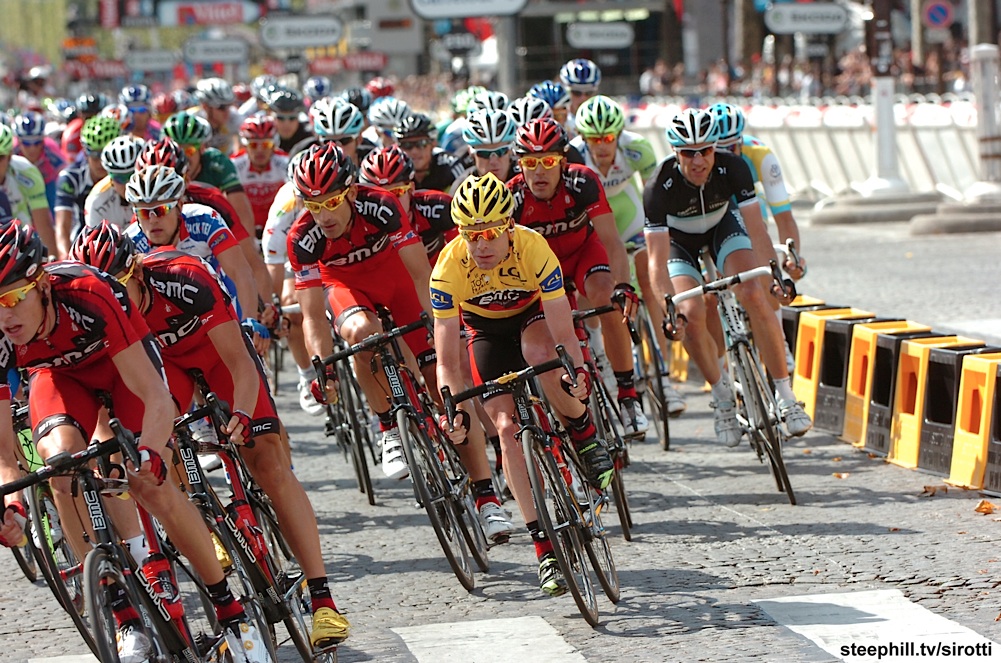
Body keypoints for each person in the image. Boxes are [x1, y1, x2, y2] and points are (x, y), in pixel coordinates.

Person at [70, 221, 351, 650]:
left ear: (139, 273)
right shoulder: (97, 316)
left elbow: (239, 362)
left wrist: (240, 414)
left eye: (122, 287)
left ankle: (322, 599)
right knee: (152, 454)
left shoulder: (185, 280)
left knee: (268, 462)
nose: (115, 301)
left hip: (216, 354)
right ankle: (203, 529)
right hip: (165, 373)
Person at [0, 220, 269, 662]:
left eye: (13, 298)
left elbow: (156, 397)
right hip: (60, 378)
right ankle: (124, 618)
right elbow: (5, 452)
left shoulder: (88, 294)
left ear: (42, 285)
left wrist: (151, 453)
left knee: (150, 483)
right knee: (59, 470)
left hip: (122, 369)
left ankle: (230, 609)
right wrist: (11, 506)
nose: (5, 316)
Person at [431, 173, 613, 595]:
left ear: (509, 226)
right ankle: (543, 547)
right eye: (470, 235)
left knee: (541, 357)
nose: (480, 245)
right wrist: (453, 408)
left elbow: (564, 334)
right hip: (485, 332)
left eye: (490, 233)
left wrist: (576, 371)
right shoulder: (448, 267)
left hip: (533, 316)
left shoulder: (534, 247)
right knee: (506, 430)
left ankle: (584, 435)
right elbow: (447, 360)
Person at [642, 108, 812, 447]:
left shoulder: (733, 167)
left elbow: (757, 230)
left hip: (723, 227)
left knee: (752, 290)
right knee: (690, 315)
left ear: (714, 149)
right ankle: (721, 396)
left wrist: (773, 275)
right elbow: (656, 262)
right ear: (676, 153)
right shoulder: (659, 186)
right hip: (680, 243)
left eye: (704, 151)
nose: (698, 160)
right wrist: (667, 307)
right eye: (688, 153)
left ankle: (785, 395)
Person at [286, 143, 435, 481]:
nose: (323, 216)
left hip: (395, 280)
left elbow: (420, 274)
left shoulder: (381, 204)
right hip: (344, 286)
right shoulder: (302, 237)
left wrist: (439, 328)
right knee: (359, 336)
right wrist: (321, 369)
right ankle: (389, 429)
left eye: (332, 202)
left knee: (441, 376)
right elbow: (311, 316)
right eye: (313, 205)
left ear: (351, 191)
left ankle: (486, 495)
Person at [508, 118, 648, 436]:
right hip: (541, 272)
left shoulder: (582, 181)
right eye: (530, 162)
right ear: (519, 164)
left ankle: (628, 396)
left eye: (548, 162)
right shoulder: (512, 198)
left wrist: (624, 285)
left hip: (583, 256)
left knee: (607, 297)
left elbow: (611, 241)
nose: (539, 171)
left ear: (563, 161)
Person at [570, 94, 687, 417]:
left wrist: (661, 230)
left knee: (649, 285)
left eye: (608, 138)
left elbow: (654, 193)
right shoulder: (574, 154)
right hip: (596, 225)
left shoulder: (637, 148)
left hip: (631, 215)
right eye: (594, 139)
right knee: (589, 294)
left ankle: (664, 379)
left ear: (619, 135)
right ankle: (604, 357)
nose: (602, 146)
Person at [709, 102, 807, 371]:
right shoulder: (703, 159)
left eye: (734, 147)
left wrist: (792, 257)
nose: (729, 154)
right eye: (722, 149)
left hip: (747, 207)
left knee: (766, 264)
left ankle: (779, 339)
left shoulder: (760, 154)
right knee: (707, 290)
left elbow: (783, 216)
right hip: (710, 213)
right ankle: (722, 366)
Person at [123, 164, 262, 332]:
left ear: (180, 205)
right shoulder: (131, 242)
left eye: (161, 210)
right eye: (144, 213)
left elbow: (240, 272)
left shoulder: (204, 219)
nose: (153, 221)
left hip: (219, 301)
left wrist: (249, 320)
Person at [163, 111, 257, 239]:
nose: (182, 158)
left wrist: (249, 247)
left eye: (189, 150)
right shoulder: (161, 166)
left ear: (202, 148)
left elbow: (242, 212)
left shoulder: (216, 163)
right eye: (177, 151)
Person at [54, 115, 120, 256]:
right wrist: (66, 262)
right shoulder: (70, 177)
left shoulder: (125, 177)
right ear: (85, 152)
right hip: (82, 248)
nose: (100, 162)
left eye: (105, 155)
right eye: (95, 155)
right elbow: (62, 229)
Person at [0, 125, 57, 258]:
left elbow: (44, 225)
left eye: (0, 157)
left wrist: (54, 263)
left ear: (9, 156)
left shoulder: (27, 173)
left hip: (21, 241)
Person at [231, 115, 289, 239]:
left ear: (274, 144)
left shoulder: (285, 162)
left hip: (278, 228)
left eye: (266, 144)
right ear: (245, 145)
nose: (259, 150)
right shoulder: (234, 165)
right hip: (245, 229)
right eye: (253, 145)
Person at [393, 113, 468, 194]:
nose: (414, 151)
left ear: (433, 143)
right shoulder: (393, 171)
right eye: (407, 145)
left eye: (422, 143)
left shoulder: (451, 166)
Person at [83, 134, 145, 229]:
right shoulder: (96, 202)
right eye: (120, 178)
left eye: (133, 176)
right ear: (110, 178)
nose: (128, 184)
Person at [14, 111, 66, 213]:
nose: (32, 148)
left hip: (47, 185)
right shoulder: (12, 150)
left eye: (37, 142)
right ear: (19, 141)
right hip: (19, 185)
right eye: (26, 143)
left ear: (43, 139)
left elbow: (65, 174)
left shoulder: (51, 148)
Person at [194, 77, 242, 154]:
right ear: (205, 106)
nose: (227, 112)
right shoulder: (194, 120)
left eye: (228, 106)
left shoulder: (234, 116)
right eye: (221, 107)